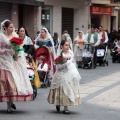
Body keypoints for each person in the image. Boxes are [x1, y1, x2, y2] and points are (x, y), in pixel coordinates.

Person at [0, 19, 33, 112]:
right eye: (10, 27)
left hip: (15, 61)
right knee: (8, 82)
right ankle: (8, 105)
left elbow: (20, 49)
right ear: (5, 28)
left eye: (13, 27)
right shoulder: (1, 37)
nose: (12, 28)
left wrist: (17, 54)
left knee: (14, 82)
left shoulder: (15, 36)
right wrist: (8, 51)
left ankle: (11, 102)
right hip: (5, 62)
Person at [48, 40, 81, 114]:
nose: (67, 47)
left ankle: (66, 107)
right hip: (61, 74)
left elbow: (73, 63)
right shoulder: (60, 55)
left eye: (68, 45)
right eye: (65, 45)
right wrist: (66, 63)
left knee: (68, 90)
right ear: (62, 46)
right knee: (61, 90)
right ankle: (58, 103)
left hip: (69, 73)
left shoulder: (71, 53)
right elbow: (59, 67)